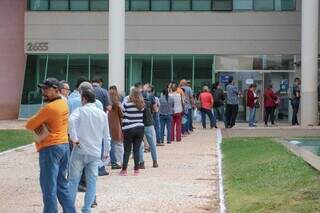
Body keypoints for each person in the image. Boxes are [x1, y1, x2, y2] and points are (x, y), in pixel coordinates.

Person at [25, 78, 76, 213]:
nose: (44, 92)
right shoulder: (64, 103)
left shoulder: (49, 108)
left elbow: (29, 125)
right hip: (64, 145)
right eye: (43, 89)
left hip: (50, 148)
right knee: (61, 185)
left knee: (49, 188)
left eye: (47, 89)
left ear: (56, 90)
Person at [68, 88, 111, 213]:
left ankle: (70, 208)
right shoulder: (102, 114)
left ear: (84, 99)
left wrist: (74, 138)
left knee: (73, 180)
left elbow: (70, 120)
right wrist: (106, 152)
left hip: (80, 149)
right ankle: (87, 208)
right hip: (95, 152)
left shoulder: (80, 111)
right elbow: (106, 136)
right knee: (92, 181)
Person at [120, 87, 145, 176]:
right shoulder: (142, 105)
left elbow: (122, 112)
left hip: (129, 128)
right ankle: (136, 170)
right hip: (140, 128)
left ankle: (124, 170)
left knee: (127, 150)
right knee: (136, 150)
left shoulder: (126, 104)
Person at [139, 83, 159, 169]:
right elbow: (155, 109)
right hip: (149, 122)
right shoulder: (151, 96)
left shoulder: (137, 96)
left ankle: (141, 163)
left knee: (140, 144)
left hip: (139, 122)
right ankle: (155, 162)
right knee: (152, 143)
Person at [108, 85, 124, 170]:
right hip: (116, 124)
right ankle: (121, 161)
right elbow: (122, 115)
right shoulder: (117, 103)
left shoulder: (107, 103)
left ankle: (111, 161)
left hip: (108, 125)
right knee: (119, 144)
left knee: (110, 144)